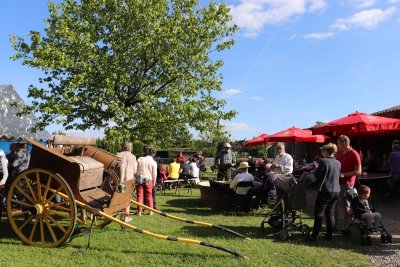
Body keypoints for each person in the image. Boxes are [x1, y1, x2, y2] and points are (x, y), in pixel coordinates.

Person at [309, 143, 341, 241]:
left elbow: (317, 175)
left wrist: (316, 168)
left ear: (326, 151)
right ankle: (329, 235)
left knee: (318, 213)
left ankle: (314, 236)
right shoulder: (338, 162)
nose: (322, 153)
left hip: (326, 190)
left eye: (322, 151)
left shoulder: (323, 161)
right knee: (330, 213)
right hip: (336, 190)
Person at [335, 135, 361, 234]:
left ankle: (346, 226)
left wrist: (344, 175)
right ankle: (335, 225)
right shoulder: (340, 153)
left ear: (344, 143)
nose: (338, 145)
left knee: (346, 205)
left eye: (339, 143)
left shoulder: (354, 154)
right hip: (337, 182)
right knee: (336, 204)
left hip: (347, 183)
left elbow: (358, 171)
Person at [116, 141, 137, 222]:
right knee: (127, 198)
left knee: (118, 197)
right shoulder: (133, 157)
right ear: (130, 148)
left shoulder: (118, 155)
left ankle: (116, 214)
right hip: (129, 179)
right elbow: (135, 171)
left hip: (118, 179)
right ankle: (126, 217)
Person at [135, 146, 157, 216]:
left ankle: (139, 212)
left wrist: (136, 176)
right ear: (153, 154)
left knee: (139, 195)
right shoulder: (153, 162)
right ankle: (150, 211)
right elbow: (154, 174)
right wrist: (154, 183)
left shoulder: (140, 159)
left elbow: (136, 169)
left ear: (147, 152)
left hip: (140, 177)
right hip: (149, 179)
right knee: (149, 195)